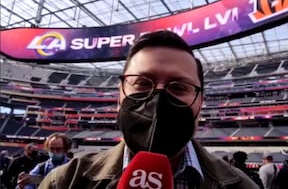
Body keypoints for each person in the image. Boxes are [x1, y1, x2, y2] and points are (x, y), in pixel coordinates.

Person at [38, 30, 260, 189]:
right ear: (120, 96)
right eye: (142, 83)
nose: (159, 98)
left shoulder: (241, 185)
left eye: (178, 87)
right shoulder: (65, 182)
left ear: (200, 103)